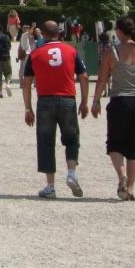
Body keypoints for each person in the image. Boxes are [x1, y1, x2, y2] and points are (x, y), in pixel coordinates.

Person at [22, 20, 89, 198]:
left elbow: (26, 84)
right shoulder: (71, 51)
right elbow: (83, 76)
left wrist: (28, 108)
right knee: (72, 138)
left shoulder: (35, 54)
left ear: (43, 34)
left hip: (45, 101)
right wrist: (84, 102)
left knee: (46, 142)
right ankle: (71, 173)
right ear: (59, 33)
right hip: (67, 100)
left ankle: (50, 186)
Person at [90, 17, 135, 200]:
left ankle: (122, 176)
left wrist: (96, 101)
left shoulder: (113, 52)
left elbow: (102, 79)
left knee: (115, 143)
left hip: (121, 101)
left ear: (119, 31)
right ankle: (130, 189)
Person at [0, 28, 13, 98]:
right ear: (2, 30)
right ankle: (8, 84)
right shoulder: (7, 37)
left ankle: (0, 93)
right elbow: (10, 48)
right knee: (9, 73)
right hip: (7, 58)